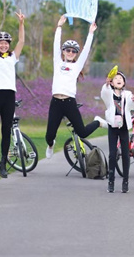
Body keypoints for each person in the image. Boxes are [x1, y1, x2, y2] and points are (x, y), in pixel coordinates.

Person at [44, 15, 106, 160]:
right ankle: (51, 145)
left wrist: (90, 33)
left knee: (83, 133)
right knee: (49, 136)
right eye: (68, 50)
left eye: (73, 51)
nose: (70, 53)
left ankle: (98, 121)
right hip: (56, 103)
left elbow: (86, 51)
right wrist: (59, 26)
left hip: (69, 103)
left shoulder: (77, 66)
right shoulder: (57, 62)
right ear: (64, 51)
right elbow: (55, 45)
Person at [0, 4, 25, 178]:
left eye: (5, 43)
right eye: (0, 43)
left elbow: (21, 42)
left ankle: (3, 162)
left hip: (9, 95)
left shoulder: (12, 58)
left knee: (6, 129)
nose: (3, 45)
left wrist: (21, 24)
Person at [101, 67, 134, 193]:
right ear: (111, 82)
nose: (118, 80)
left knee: (126, 155)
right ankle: (111, 181)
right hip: (113, 127)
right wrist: (106, 84)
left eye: (121, 79)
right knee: (112, 154)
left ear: (124, 83)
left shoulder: (127, 94)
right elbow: (103, 93)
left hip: (123, 128)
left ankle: (125, 182)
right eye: (116, 78)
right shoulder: (108, 94)